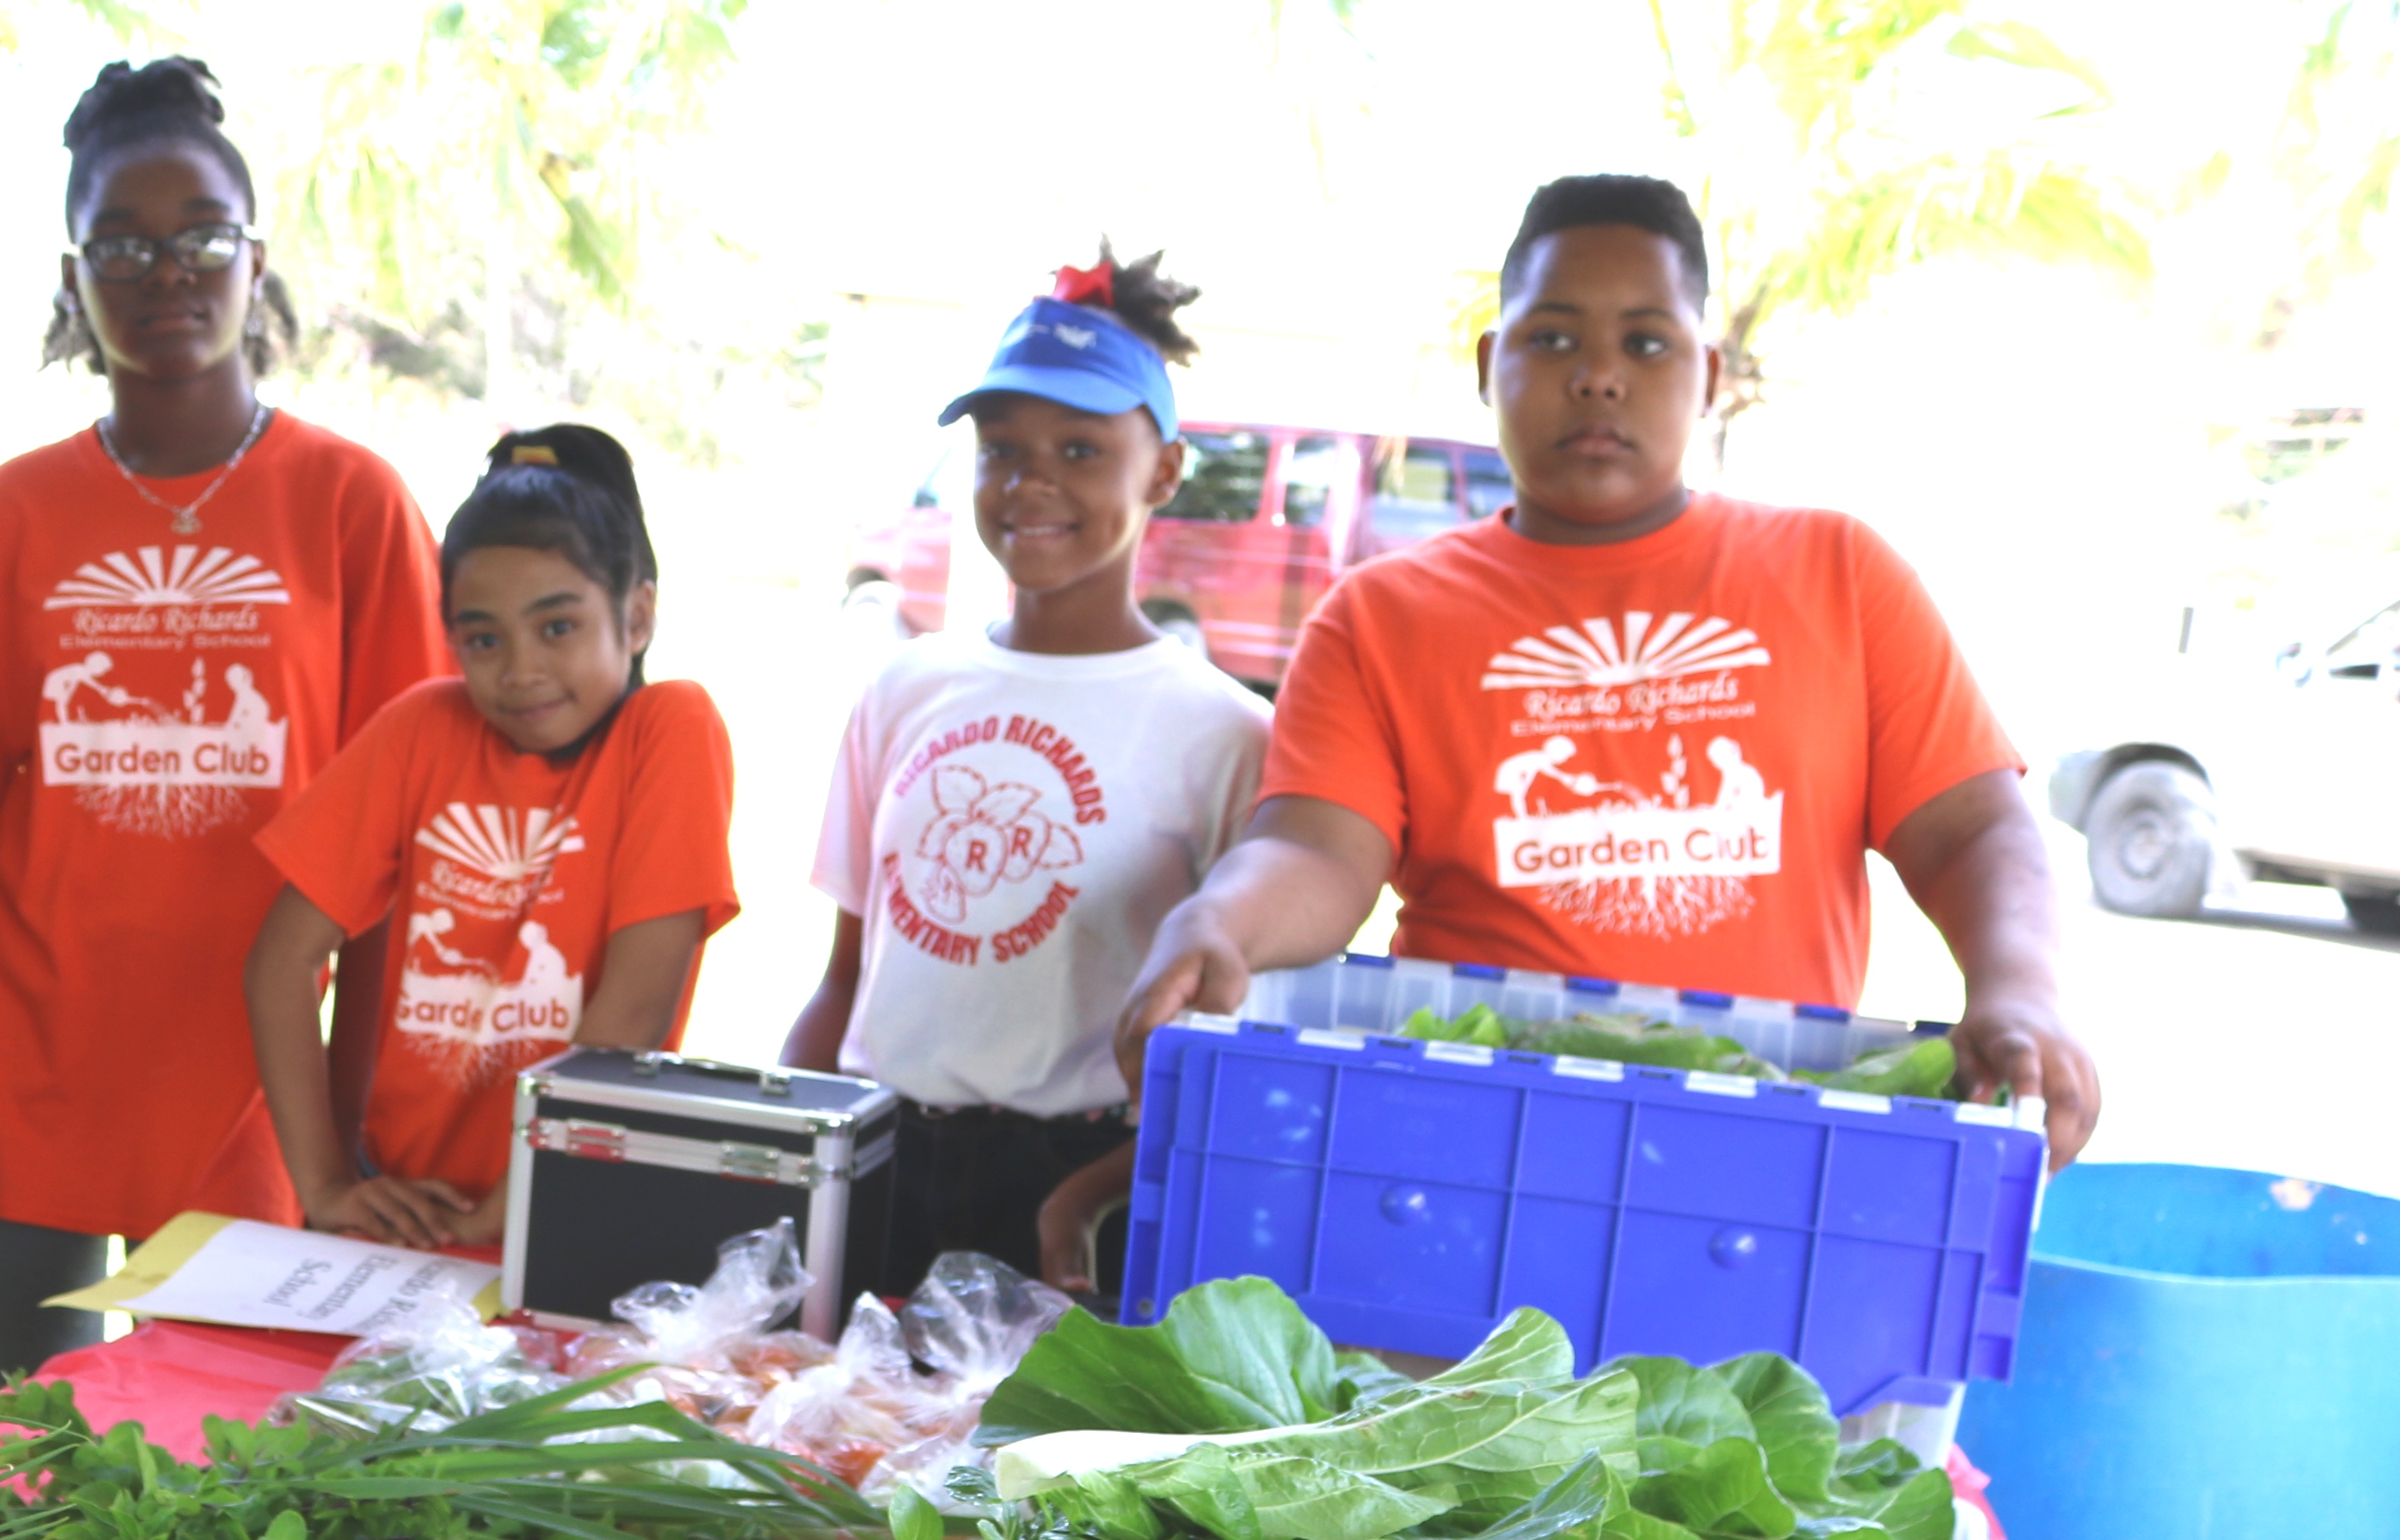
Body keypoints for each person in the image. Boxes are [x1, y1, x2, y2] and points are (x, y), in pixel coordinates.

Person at [1112, 174, 2102, 1168]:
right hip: (1462, 1149)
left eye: (1645, 341)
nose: (1597, 376)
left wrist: (2020, 990)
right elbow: (1319, 855)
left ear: (1710, 374)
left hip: (1759, 1150)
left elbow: (1972, 828)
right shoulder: (1379, 617)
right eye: (1551, 339)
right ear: (1490, 363)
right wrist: (1220, 922)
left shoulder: (1841, 576)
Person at [0, 56, 448, 1385]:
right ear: (73, 279)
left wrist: (356, 1122)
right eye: (120, 245)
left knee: (224, 1436)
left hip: (254, 1077)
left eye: (201, 240)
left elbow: (399, 857)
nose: (165, 272)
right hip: (31, 1048)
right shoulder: (10, 514)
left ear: (255, 260)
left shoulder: (353, 505)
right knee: (31, 1431)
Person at [786, 248, 1273, 1291]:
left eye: (1079, 450)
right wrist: (786, 1159)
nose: (1029, 482)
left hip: (1078, 1192)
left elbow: (1239, 1066)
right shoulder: (904, 688)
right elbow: (844, 980)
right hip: (878, 1160)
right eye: (1000, 448)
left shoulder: (1225, 731)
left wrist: (1084, 1200)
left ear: (1166, 471)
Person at [242, 425, 737, 1249]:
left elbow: (635, 1010)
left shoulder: (670, 728)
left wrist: (506, 1208)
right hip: (410, 1214)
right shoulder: (421, 727)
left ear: (637, 614)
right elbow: (279, 961)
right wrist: (326, 1183)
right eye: (482, 638)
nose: (519, 670)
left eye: (557, 627)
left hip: (574, 1210)